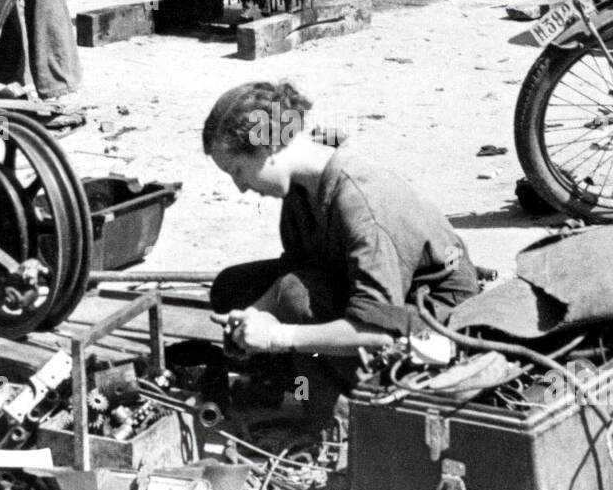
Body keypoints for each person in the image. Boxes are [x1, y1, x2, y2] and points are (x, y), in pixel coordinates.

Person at [203, 81, 480, 426]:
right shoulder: (303, 184)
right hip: (375, 300)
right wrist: (252, 314)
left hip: (436, 336)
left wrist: (278, 336)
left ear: (268, 148)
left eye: (238, 171)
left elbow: (379, 331)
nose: (241, 187)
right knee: (234, 289)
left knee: (294, 300)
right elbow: (299, 267)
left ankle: (331, 420)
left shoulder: (363, 204)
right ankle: (300, 389)